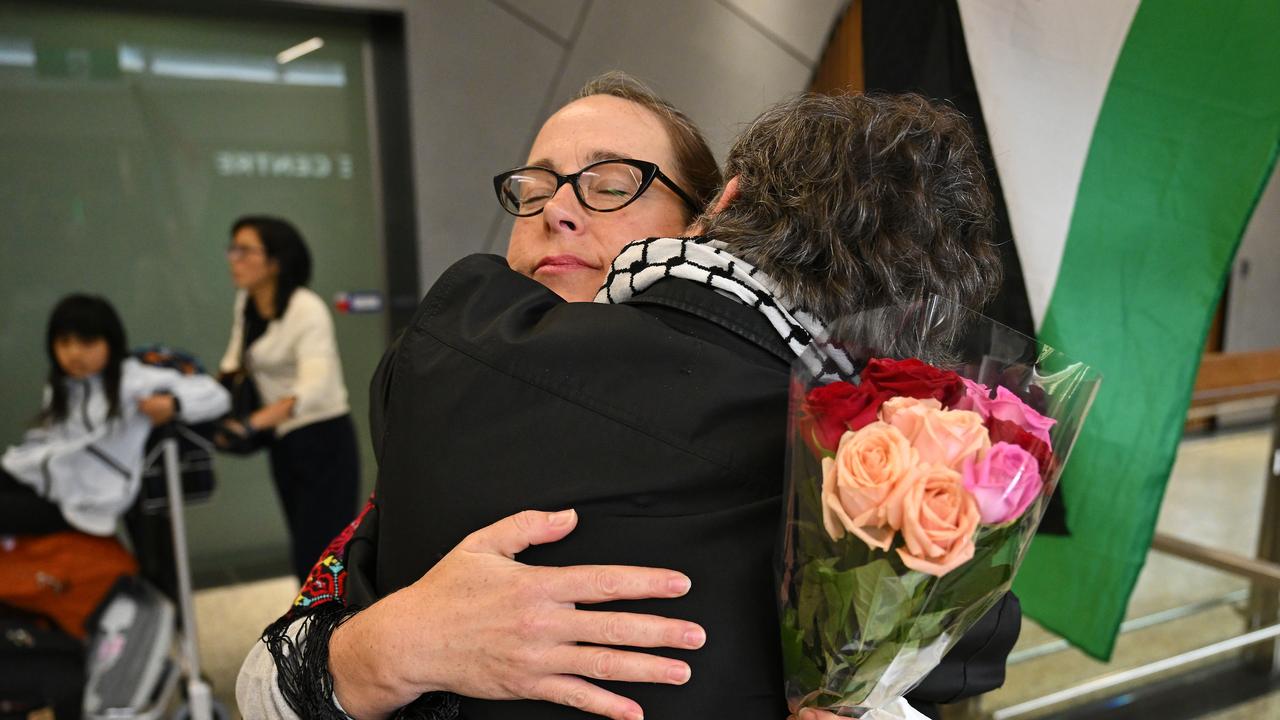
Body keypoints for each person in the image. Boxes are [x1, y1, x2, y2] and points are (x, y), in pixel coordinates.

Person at [238, 77, 1019, 720]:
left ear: (713, 219)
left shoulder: (840, 489)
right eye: (532, 186)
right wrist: (386, 648)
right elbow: (262, 683)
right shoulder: (429, 405)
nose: (556, 209)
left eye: (613, 185)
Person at [2, 294, 229, 535]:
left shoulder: (133, 380)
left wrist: (174, 403)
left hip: (88, 496)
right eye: (64, 343)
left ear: (111, 342)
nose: (74, 354)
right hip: (47, 476)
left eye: (87, 343)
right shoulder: (63, 386)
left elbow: (217, 395)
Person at [219, 217, 360, 581]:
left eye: (244, 250)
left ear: (276, 261)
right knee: (302, 549)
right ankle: (312, 631)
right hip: (284, 441)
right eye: (232, 249)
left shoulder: (306, 307)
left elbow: (314, 387)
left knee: (320, 556)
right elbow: (233, 363)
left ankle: (330, 632)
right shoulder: (247, 305)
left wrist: (251, 423)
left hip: (323, 440)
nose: (233, 258)